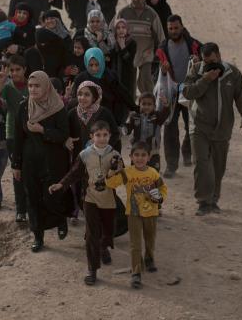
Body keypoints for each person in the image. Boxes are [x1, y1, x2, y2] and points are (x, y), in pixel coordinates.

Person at [181, 43, 242, 216]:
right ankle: (203, 201)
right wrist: (205, 79)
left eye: (213, 61)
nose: (210, 65)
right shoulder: (197, 70)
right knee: (202, 164)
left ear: (219, 56)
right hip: (199, 126)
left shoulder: (232, 74)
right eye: (206, 62)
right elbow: (187, 92)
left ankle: (213, 200)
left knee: (218, 167)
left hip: (223, 129)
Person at [51, 119, 122, 285]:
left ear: (110, 136)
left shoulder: (115, 155)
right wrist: (61, 184)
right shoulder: (84, 155)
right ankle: (93, 269)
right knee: (91, 234)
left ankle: (103, 247)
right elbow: (74, 173)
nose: (102, 138)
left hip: (108, 199)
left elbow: (121, 178)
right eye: (98, 135)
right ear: (92, 136)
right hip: (90, 199)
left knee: (108, 230)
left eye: (105, 135)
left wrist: (114, 171)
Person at [11, 70, 73, 252]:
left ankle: (61, 220)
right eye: (30, 86)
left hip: (53, 160)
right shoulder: (24, 108)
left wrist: (42, 130)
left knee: (52, 196)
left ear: (46, 86)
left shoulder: (57, 106)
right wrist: (16, 164)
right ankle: (38, 236)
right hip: (31, 161)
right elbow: (18, 138)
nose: (33, 89)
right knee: (33, 198)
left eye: (37, 85)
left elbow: (63, 134)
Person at [105, 141, 167, 289]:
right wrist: (113, 171)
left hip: (151, 212)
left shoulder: (153, 173)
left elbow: (162, 189)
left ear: (149, 156)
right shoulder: (127, 173)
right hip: (133, 213)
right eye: (136, 155)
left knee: (150, 238)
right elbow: (111, 183)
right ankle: (136, 272)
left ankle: (149, 259)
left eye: (143, 155)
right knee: (135, 243)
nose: (140, 158)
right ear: (131, 157)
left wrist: (159, 198)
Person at [155, 15, 200, 177]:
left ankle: (187, 152)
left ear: (182, 27)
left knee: (192, 127)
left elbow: (207, 65)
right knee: (170, 128)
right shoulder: (162, 49)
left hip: (190, 93)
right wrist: (163, 71)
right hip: (172, 95)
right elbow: (156, 76)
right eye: (171, 29)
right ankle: (172, 165)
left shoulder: (194, 45)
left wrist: (198, 63)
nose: (174, 31)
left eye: (176, 27)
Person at [0, 55, 30, 224]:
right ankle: (21, 210)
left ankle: (34, 207)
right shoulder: (7, 87)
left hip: (32, 133)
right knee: (17, 173)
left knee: (34, 171)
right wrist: (0, 84)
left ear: (24, 69)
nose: (14, 73)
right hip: (13, 134)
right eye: (12, 70)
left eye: (17, 70)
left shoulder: (33, 85)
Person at [116, 0, 166, 97]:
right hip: (128, 54)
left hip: (146, 53)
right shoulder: (123, 12)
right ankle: (132, 106)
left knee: (146, 79)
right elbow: (112, 30)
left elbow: (161, 36)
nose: (135, 0)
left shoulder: (152, 14)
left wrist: (162, 54)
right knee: (130, 82)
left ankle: (149, 102)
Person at [73, 47, 134, 129]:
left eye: (97, 65)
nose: (94, 68)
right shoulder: (81, 78)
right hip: (87, 118)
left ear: (102, 62)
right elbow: (76, 98)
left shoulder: (110, 76)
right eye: (91, 65)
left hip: (108, 116)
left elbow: (122, 93)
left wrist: (134, 107)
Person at [65, 81, 120, 153]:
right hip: (78, 159)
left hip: (100, 158)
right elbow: (64, 133)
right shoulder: (72, 114)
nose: (82, 98)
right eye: (80, 94)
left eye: (87, 95)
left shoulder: (104, 113)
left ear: (94, 98)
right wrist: (66, 140)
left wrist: (102, 145)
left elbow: (115, 134)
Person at [126, 92, 169, 171]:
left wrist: (165, 105)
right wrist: (123, 128)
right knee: (136, 173)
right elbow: (127, 129)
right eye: (144, 104)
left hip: (152, 152)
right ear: (139, 105)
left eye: (149, 104)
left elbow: (165, 115)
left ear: (154, 106)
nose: (146, 106)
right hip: (137, 151)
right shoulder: (134, 116)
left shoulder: (157, 117)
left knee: (153, 174)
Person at [35, 9, 73, 79]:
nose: (49, 21)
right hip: (44, 71)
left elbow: (69, 54)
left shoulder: (66, 36)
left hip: (61, 72)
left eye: (52, 18)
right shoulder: (41, 35)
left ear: (58, 20)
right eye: (47, 19)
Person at [110, 18, 137, 102]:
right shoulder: (113, 44)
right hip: (116, 77)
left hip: (128, 76)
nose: (121, 30)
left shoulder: (132, 43)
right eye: (118, 28)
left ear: (127, 29)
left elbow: (130, 61)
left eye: (123, 27)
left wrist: (123, 47)